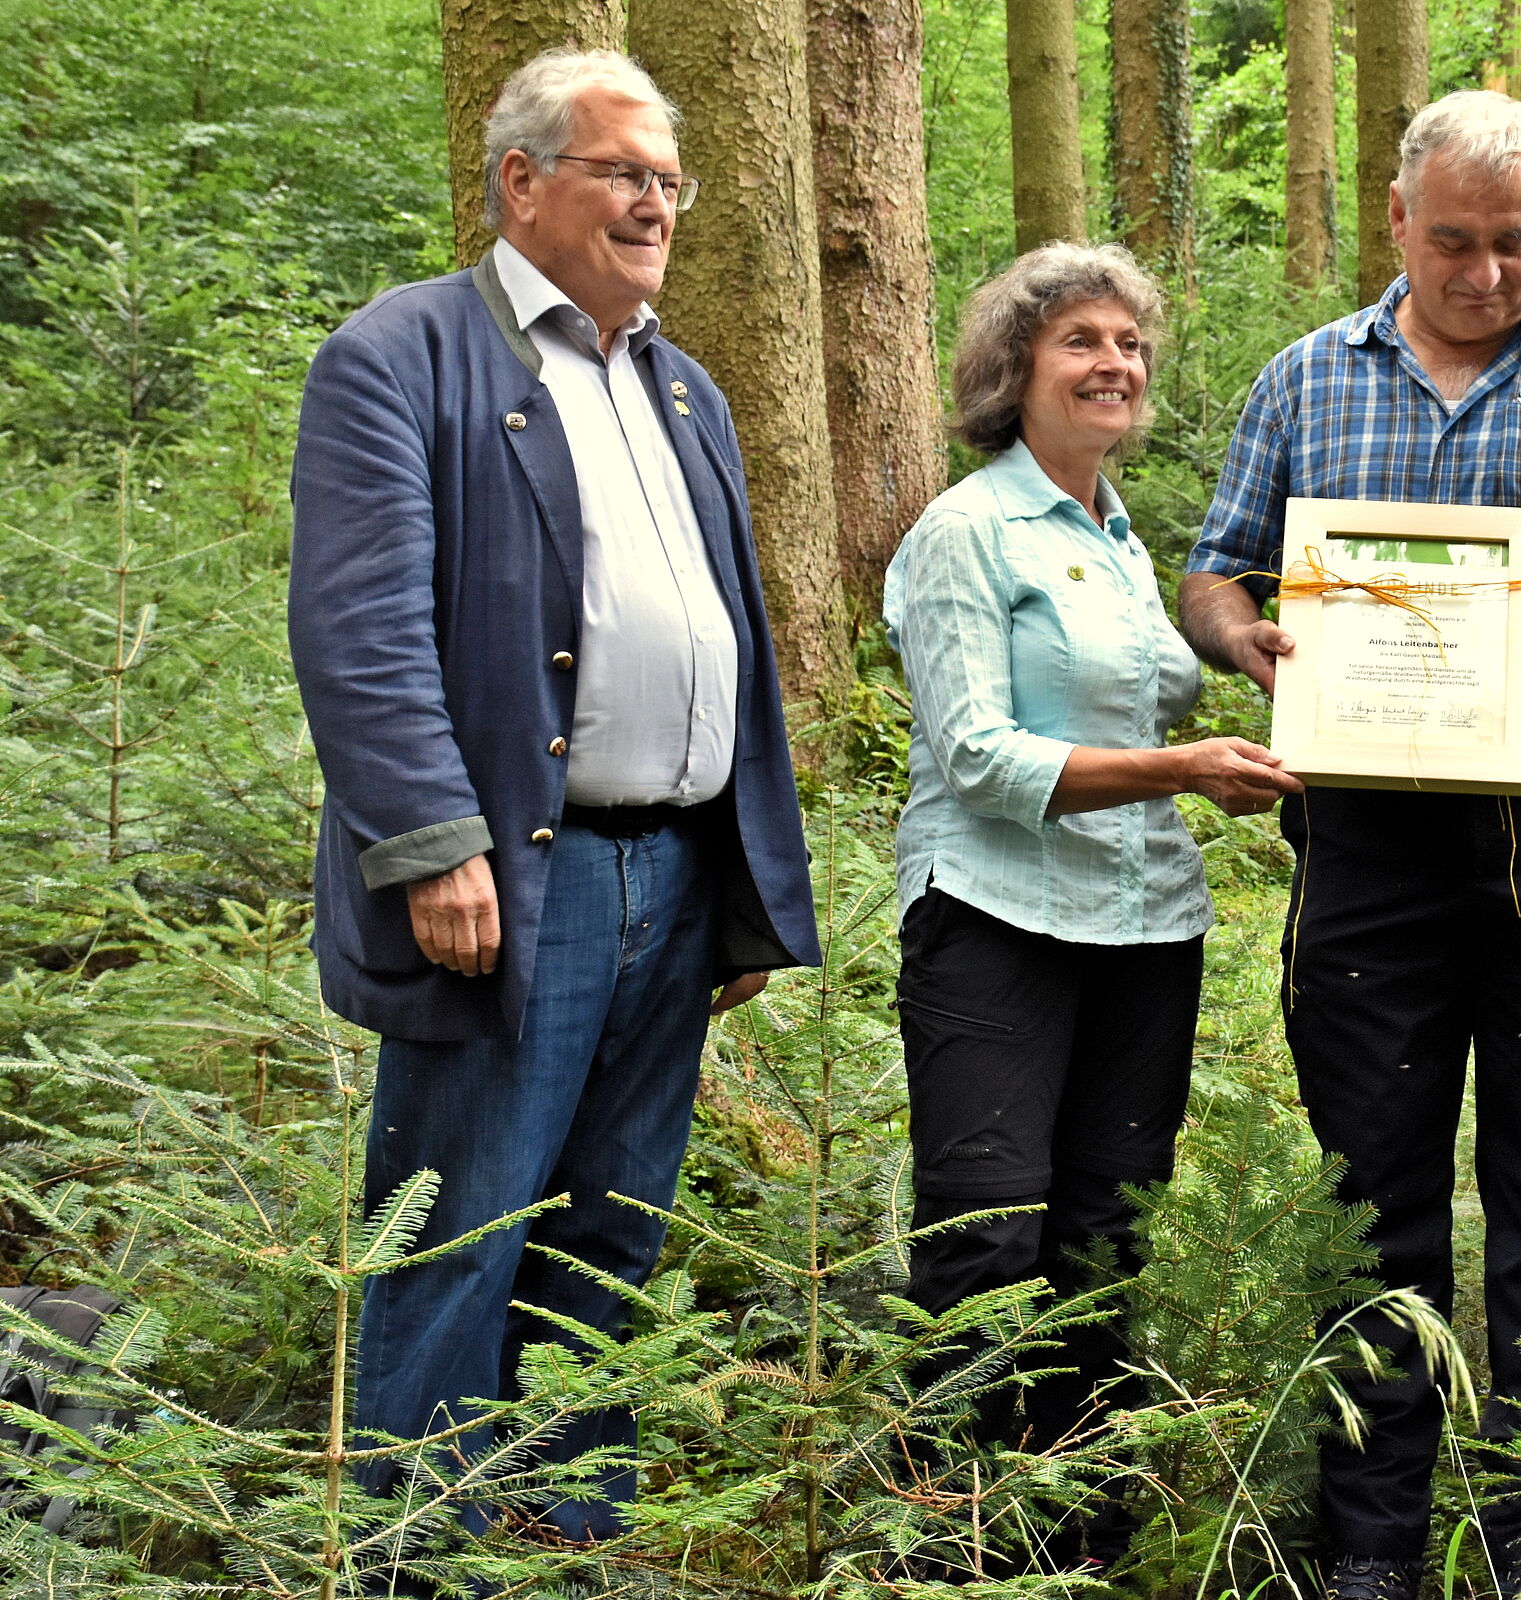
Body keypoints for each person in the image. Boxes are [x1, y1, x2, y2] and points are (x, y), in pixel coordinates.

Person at [1181, 91, 1521, 1600]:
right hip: (1365, 832)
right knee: (1375, 1196)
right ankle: (1372, 1544)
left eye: (1517, 243)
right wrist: (1256, 645)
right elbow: (1216, 570)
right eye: (1455, 243)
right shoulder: (1306, 379)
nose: (1487, 274)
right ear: (1396, 218)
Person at [288, 47, 820, 1560]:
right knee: (460, 1235)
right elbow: (360, 630)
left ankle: (567, 1547)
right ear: (520, 182)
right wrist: (435, 842)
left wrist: (739, 883)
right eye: (622, 172)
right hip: (514, 883)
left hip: (669, 874)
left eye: (669, 179)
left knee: (609, 1244)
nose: (656, 202)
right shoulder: (404, 356)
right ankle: (418, 1562)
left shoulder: (683, 381)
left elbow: (734, 640)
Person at [883, 241, 1302, 1575]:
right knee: (985, 1233)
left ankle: (1081, 1529)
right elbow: (978, 758)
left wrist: (1278, 677)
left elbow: (1150, 701)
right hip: (994, 919)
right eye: (1081, 342)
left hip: (1144, 927)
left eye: (1128, 343)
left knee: (1106, 1240)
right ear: (1016, 371)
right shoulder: (965, 531)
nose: (1114, 363)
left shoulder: (1119, 537)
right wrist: (1182, 769)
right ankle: (956, 1528)